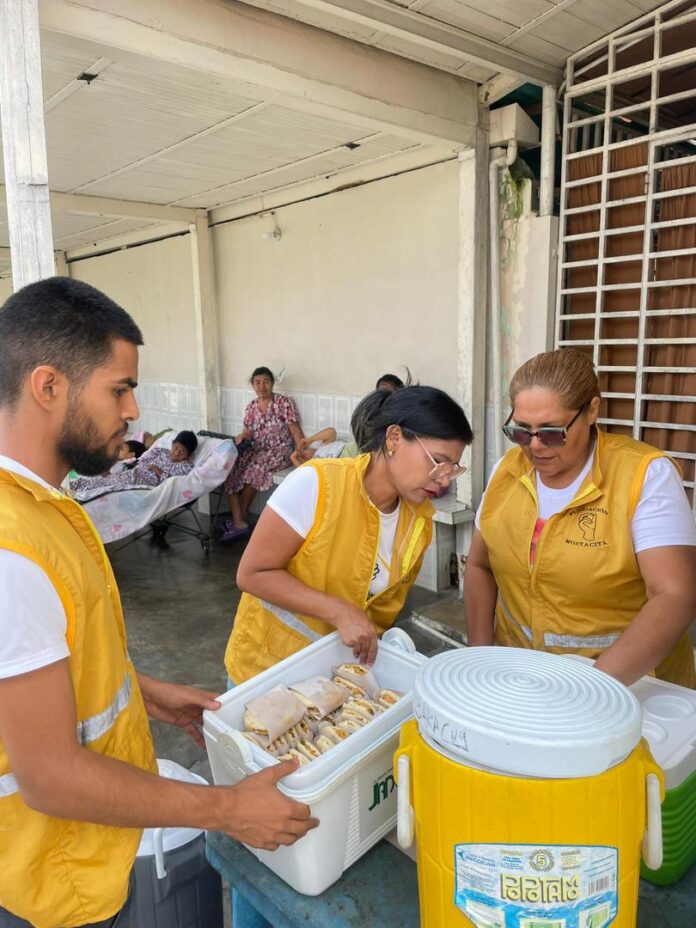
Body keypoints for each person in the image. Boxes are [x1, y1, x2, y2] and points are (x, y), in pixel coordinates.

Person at [0, 278, 317, 928]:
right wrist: (229, 809)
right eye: (119, 388)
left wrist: (143, 691)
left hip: (85, 860)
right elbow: (51, 777)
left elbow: (46, 663)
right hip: (52, 884)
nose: (134, 410)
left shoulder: (49, 506)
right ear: (48, 386)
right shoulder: (11, 549)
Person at [464, 348, 696, 688]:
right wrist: (479, 659)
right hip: (523, 677)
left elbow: (675, 595)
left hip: (627, 685)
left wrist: (592, 690)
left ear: (592, 409)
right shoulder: (507, 472)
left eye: (552, 431)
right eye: (521, 431)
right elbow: (480, 565)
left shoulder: (644, 476)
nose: (535, 446)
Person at [224, 385, 473, 684]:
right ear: (394, 438)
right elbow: (252, 574)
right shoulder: (317, 484)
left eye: (453, 468)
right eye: (437, 461)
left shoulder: (418, 521)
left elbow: (378, 609)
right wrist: (339, 612)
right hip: (267, 670)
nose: (444, 478)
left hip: (337, 682)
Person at [221, 367, 303, 542]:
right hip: (256, 449)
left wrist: (301, 450)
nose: (262, 386)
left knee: (254, 471)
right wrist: (243, 435)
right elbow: (249, 430)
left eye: (266, 382)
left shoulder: (283, 403)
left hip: (279, 451)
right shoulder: (251, 406)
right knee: (230, 471)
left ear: (272, 383)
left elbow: (294, 429)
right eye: (257, 382)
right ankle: (239, 521)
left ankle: (239, 521)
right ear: (252, 385)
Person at [71, 430, 198, 496]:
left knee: (110, 483)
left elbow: (171, 482)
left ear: (188, 455)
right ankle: (74, 486)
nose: (176, 453)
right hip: (135, 472)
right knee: (108, 479)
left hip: (146, 482)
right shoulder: (161, 451)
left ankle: (77, 490)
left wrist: (157, 470)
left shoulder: (185, 466)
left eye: (182, 452)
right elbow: (143, 459)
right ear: (172, 444)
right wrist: (143, 466)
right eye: (175, 448)